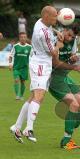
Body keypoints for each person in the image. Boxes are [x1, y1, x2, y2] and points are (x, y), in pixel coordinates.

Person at [10, 6, 64, 143]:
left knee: (34, 97)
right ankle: (28, 128)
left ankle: (16, 127)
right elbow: (54, 53)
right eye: (54, 16)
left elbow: (49, 29)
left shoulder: (40, 22)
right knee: (39, 96)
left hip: (39, 62)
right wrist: (59, 44)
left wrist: (56, 32)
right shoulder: (43, 33)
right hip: (41, 64)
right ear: (46, 16)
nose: (56, 18)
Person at [49, 28, 80, 150]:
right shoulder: (54, 40)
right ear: (64, 30)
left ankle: (70, 127)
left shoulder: (73, 42)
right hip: (54, 79)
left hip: (65, 77)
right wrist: (75, 68)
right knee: (74, 105)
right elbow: (55, 64)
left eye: (72, 37)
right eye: (69, 35)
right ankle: (66, 141)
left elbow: (71, 57)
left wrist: (73, 59)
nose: (70, 38)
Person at [9, 32, 31, 100]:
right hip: (16, 67)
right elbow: (11, 56)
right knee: (16, 80)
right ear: (19, 38)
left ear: (26, 38)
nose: (23, 38)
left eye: (24, 37)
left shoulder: (29, 47)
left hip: (24, 68)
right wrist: (10, 64)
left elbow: (32, 57)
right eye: (21, 37)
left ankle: (21, 95)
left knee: (23, 82)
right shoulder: (15, 46)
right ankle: (17, 96)